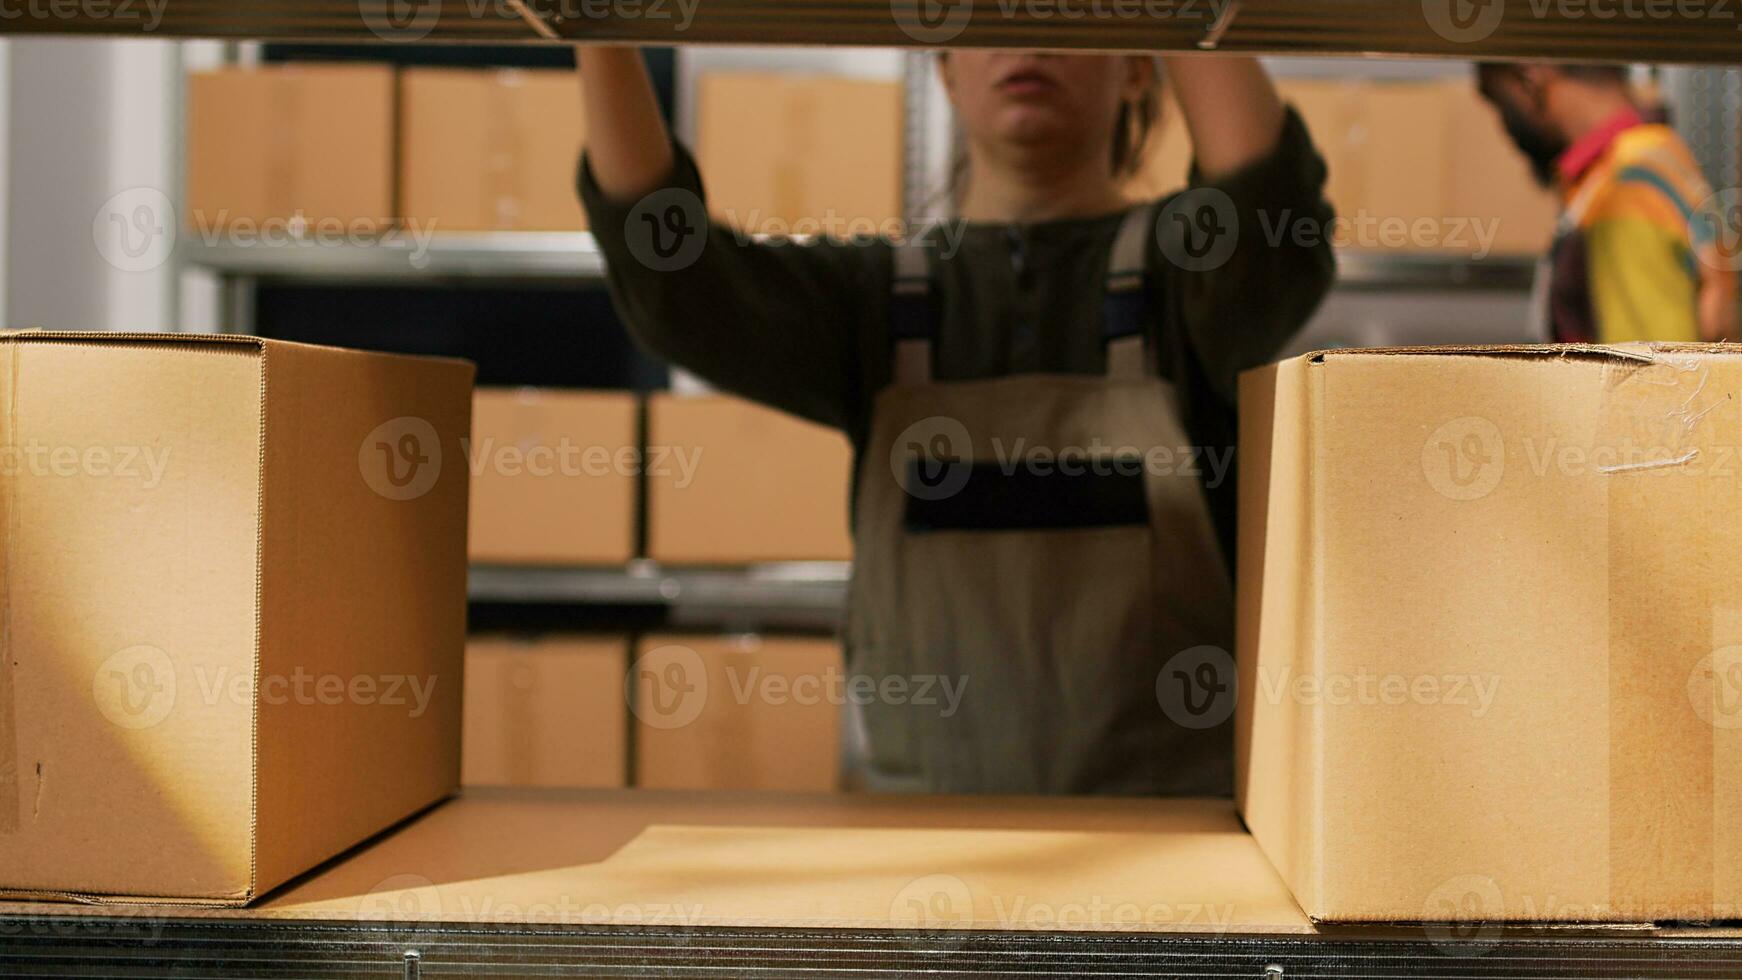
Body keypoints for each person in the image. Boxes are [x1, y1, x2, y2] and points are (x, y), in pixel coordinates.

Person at [576, 49, 1334, 796]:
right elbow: (670, 272)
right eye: (991, 15)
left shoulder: (1188, 283)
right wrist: (598, 31)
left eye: (1072, 12)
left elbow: (1266, 206)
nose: (1028, 40)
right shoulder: (873, 306)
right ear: (943, 71)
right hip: (926, 868)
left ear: (1139, 67)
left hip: (1174, 879)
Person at [1476, 62, 1737, 344]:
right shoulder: (1655, 152)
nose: (1507, 126)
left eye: (1501, 101)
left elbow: (1645, 376)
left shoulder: (1625, 192)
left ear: (1530, 79)